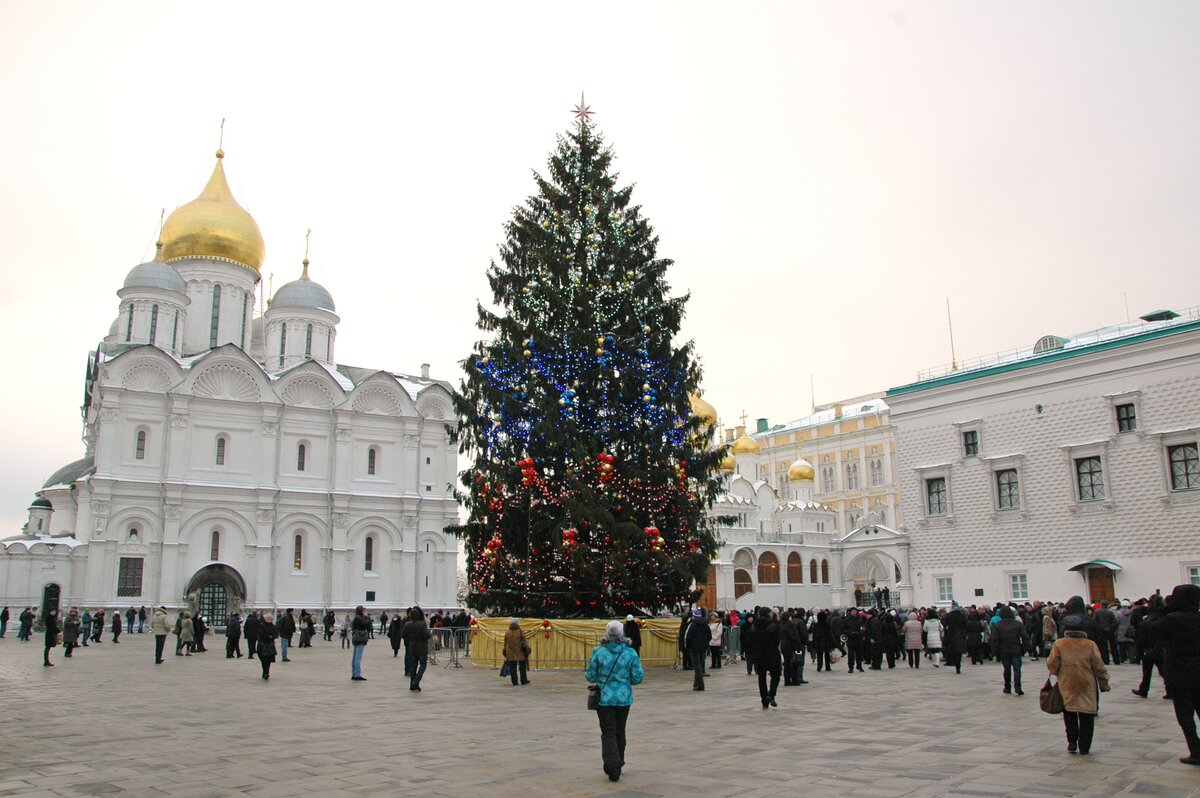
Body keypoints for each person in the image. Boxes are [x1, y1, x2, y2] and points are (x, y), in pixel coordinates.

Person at [1144, 584, 1200, 765]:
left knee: (1185, 715)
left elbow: (1149, 629)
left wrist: (1156, 610)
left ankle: (1196, 750)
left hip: (1179, 673)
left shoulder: (1173, 619)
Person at [585, 619, 644, 782]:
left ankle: (612, 764)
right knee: (620, 730)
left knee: (608, 732)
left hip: (604, 698)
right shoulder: (630, 653)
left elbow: (590, 675)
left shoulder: (599, 652)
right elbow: (638, 677)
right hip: (624, 698)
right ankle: (618, 761)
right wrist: (625, 680)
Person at [1047, 613, 1110, 755]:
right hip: (1086, 683)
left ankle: (1072, 741)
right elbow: (1099, 665)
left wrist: (1058, 672)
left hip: (1067, 682)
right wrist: (1103, 682)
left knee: (1069, 713)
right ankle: (1084, 746)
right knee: (1086, 714)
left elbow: (1052, 664)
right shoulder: (1090, 645)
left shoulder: (1060, 644)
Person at [993, 605, 1026, 694]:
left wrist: (995, 651)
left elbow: (994, 639)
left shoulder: (997, 625)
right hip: (1016, 648)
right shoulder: (1017, 624)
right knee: (1017, 669)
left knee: (1006, 669)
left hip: (1004, 649)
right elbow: (1024, 636)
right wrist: (1026, 648)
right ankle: (1018, 687)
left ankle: (1007, 687)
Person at [752, 608, 781, 708]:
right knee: (776, 674)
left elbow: (752, 639)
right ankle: (771, 694)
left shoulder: (755, 625)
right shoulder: (773, 625)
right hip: (772, 652)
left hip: (760, 653)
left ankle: (764, 699)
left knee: (762, 677)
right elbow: (777, 640)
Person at [400, 607, 432, 691]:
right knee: (423, 665)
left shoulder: (407, 624)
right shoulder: (422, 624)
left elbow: (403, 634)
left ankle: (412, 684)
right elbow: (426, 635)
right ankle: (416, 681)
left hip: (412, 647)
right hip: (422, 647)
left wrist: (410, 639)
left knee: (413, 666)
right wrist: (429, 633)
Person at [683, 609, 710, 691]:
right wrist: (705, 644)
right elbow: (709, 636)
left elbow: (687, 637)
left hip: (694, 648)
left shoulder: (692, 625)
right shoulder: (706, 624)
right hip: (703, 648)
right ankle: (696, 684)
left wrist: (687, 646)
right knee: (699, 665)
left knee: (697, 666)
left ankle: (701, 685)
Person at [502, 618, 531, 686]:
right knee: (522, 667)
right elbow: (525, 642)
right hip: (520, 651)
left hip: (510, 652)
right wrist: (528, 649)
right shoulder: (520, 632)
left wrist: (505, 651)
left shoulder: (507, 632)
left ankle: (514, 681)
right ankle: (523, 680)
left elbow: (505, 643)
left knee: (512, 667)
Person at [350, 605, 371, 681]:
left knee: (355, 656)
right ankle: (357, 674)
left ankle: (354, 673)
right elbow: (366, 624)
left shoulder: (356, 618)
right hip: (360, 638)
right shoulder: (359, 618)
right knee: (358, 657)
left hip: (356, 638)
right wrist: (368, 617)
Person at [257, 612, 278, 680]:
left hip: (268, 645)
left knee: (267, 660)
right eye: (267, 619)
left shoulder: (273, 626)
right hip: (263, 645)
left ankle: (266, 672)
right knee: (264, 660)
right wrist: (270, 637)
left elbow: (276, 635)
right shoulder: (261, 625)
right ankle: (265, 672)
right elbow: (261, 634)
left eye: (270, 619)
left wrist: (270, 637)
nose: (269, 620)